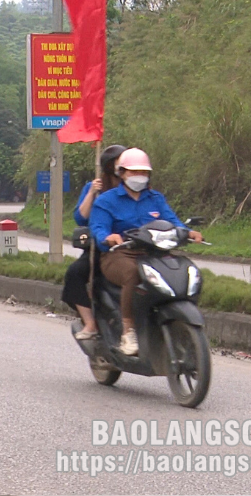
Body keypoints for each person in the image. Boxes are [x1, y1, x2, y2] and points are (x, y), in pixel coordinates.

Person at [89, 148, 202, 356]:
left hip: (154, 254)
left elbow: (172, 221)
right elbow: (98, 228)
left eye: (143, 172)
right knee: (133, 274)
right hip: (120, 255)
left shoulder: (155, 198)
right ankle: (128, 332)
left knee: (185, 271)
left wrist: (188, 232)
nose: (138, 176)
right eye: (133, 172)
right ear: (121, 173)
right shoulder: (107, 200)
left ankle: (178, 322)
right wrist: (108, 236)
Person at [62, 144, 126, 341]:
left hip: (133, 246)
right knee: (75, 274)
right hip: (102, 247)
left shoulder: (134, 188)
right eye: (119, 164)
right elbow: (81, 218)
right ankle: (90, 322)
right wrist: (92, 193)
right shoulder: (95, 188)